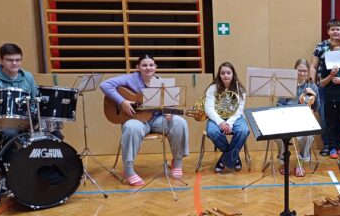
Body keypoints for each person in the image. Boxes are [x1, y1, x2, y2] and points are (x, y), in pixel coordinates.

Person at [100, 55, 189, 186]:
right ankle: (128, 170)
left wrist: (169, 111)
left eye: (151, 65)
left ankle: (177, 161)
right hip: (137, 120)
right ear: (138, 67)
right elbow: (104, 85)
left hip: (158, 119)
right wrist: (122, 102)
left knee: (180, 122)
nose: (148, 68)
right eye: (144, 65)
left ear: (156, 67)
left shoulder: (162, 83)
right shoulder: (130, 79)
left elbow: (169, 104)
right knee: (131, 127)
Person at [311, 19, 340, 156]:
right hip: (325, 87)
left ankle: (339, 146)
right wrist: (312, 83)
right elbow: (313, 66)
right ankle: (328, 145)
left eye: (338, 29)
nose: (335, 31)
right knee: (325, 117)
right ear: (328, 31)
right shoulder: (320, 46)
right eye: (333, 29)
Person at [0, 43, 39, 139]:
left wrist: (33, 119)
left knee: (54, 132)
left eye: (18, 60)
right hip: (2, 121)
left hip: (26, 119)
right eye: (10, 60)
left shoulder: (28, 77)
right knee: (11, 132)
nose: (14, 63)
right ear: (1, 61)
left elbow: (34, 100)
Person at [275, 58, 318, 177]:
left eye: (305, 71)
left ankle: (300, 163)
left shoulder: (312, 86)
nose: (302, 73)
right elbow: (279, 105)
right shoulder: (287, 85)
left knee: (307, 135)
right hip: (287, 119)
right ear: (295, 70)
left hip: (304, 120)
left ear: (308, 71)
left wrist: (314, 96)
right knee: (279, 135)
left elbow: (316, 108)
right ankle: (283, 163)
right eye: (299, 70)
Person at [204, 62, 249, 173]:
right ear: (219, 74)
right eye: (222, 73)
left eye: (228, 73)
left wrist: (229, 123)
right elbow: (209, 109)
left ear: (233, 74)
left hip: (235, 117)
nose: (225, 75)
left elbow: (239, 111)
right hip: (217, 117)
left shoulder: (240, 89)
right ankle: (234, 157)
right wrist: (220, 122)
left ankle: (224, 160)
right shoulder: (212, 88)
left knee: (243, 130)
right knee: (212, 132)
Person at [319, 38, 340, 160]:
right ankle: (332, 147)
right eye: (335, 52)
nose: (337, 54)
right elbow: (322, 83)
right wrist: (331, 75)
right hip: (330, 97)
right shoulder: (327, 66)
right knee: (331, 123)